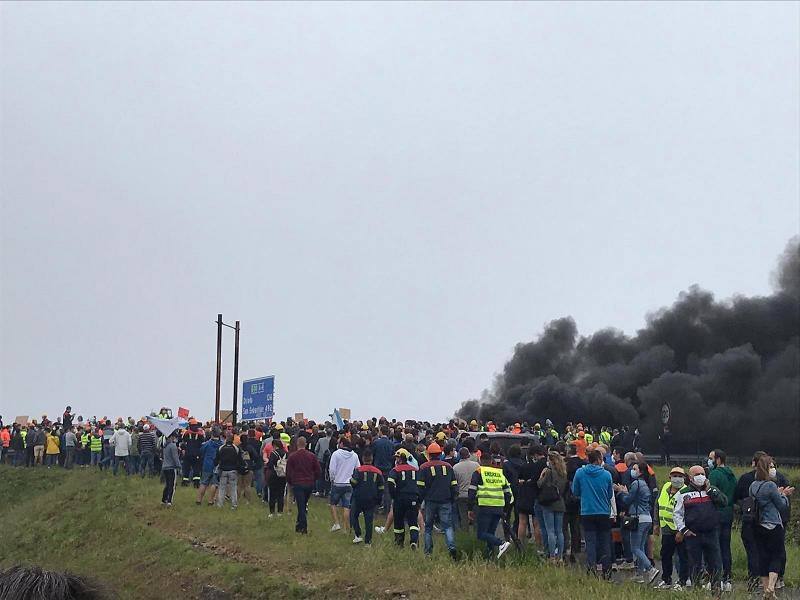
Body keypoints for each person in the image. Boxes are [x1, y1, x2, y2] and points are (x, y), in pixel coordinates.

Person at [673, 464, 727, 592]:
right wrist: (684, 530)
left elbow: (724, 502)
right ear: (690, 477)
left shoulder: (712, 490)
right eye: (697, 474)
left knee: (715, 564)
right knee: (695, 565)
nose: (700, 477)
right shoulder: (683, 493)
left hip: (711, 533)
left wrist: (710, 491)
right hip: (693, 535)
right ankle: (696, 591)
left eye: (702, 474)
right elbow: (677, 514)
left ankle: (717, 590)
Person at [749, 454, 794, 599]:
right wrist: (783, 495)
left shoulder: (753, 485)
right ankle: (771, 586)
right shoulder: (770, 485)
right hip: (773, 524)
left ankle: (767, 590)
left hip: (757, 524)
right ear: (767, 468)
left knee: (763, 556)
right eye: (771, 466)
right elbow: (781, 505)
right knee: (777, 555)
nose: (773, 469)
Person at [615, 461, 660, 584]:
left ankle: (650, 569)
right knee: (641, 547)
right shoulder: (645, 484)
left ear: (640, 471)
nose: (632, 471)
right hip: (647, 519)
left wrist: (620, 492)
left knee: (635, 548)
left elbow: (628, 500)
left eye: (635, 468)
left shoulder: (636, 483)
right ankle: (639, 574)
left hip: (638, 518)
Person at [572, 449, 613, 578]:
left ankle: (591, 569)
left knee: (590, 542)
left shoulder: (580, 473)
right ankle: (607, 570)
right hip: (603, 512)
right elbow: (610, 494)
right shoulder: (607, 475)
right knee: (605, 541)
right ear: (599, 460)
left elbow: (575, 491)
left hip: (587, 512)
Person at [467, 451, 513, 559]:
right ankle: (490, 557)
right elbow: (508, 493)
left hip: (485, 506)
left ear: (480, 461)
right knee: (490, 533)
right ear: (491, 461)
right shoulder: (499, 473)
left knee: (481, 534)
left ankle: (501, 543)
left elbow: (472, 491)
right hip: (499, 507)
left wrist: (470, 508)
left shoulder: (479, 472)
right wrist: (506, 509)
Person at [417, 442, 458, 559]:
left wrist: (420, 501)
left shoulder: (424, 467)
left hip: (430, 501)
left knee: (428, 527)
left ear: (429, 455)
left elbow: (420, 487)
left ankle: (428, 553)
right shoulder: (448, 467)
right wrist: (452, 498)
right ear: (440, 454)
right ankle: (451, 548)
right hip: (446, 500)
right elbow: (454, 485)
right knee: (448, 526)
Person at [654, 466, 690, 590]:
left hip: (680, 529)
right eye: (675, 476)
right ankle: (666, 580)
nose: (677, 479)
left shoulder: (686, 491)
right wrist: (656, 524)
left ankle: (683, 581)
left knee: (682, 556)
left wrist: (682, 531)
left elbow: (688, 514)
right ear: (670, 477)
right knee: (665, 555)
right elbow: (657, 505)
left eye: (680, 476)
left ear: (684, 478)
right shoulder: (665, 487)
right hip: (666, 528)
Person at [708, 448, 737, 591]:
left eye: (711, 458)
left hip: (716, 513)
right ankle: (728, 579)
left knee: (715, 547)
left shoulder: (714, 474)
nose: (709, 461)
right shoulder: (732, 474)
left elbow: (711, 494)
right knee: (726, 546)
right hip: (729, 513)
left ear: (718, 459)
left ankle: (715, 579)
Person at [536, 451, 568, 562]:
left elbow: (540, 484)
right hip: (560, 502)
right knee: (559, 531)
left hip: (548, 503)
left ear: (550, 461)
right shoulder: (563, 473)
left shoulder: (549, 472)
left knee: (550, 531)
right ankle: (560, 556)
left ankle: (552, 556)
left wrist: (541, 475)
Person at [349, 448, 384, 545]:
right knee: (369, 520)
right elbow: (381, 487)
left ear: (363, 458)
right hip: (372, 499)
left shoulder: (358, 470)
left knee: (354, 515)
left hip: (358, 498)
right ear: (372, 459)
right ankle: (368, 542)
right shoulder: (378, 472)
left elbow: (354, 482)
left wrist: (350, 480)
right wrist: (379, 499)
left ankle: (358, 534)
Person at [286, 435, 321, 534]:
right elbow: (318, 470)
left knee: (301, 506)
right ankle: (298, 525)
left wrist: (290, 481)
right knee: (303, 504)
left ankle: (303, 528)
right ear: (306, 444)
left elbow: (288, 472)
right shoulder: (312, 456)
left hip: (297, 483)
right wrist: (314, 479)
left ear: (297, 444)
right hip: (309, 483)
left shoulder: (292, 456)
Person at [387, 448, 421, 548]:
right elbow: (421, 484)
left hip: (400, 498)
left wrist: (393, 495)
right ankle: (414, 541)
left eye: (397, 458)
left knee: (398, 522)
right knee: (413, 522)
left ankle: (399, 543)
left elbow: (390, 482)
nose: (396, 460)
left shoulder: (395, 470)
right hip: (413, 498)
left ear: (401, 459)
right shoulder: (415, 470)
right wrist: (418, 498)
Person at [328, 438, 360, 533]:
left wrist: (332, 479)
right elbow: (358, 468)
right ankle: (347, 528)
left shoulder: (336, 454)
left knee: (333, 503)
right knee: (347, 506)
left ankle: (336, 523)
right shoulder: (354, 455)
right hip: (349, 483)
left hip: (337, 482)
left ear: (341, 444)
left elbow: (332, 469)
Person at [563, 442, 586, 563]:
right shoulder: (583, 464)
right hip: (578, 499)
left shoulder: (565, 464)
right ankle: (575, 550)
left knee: (564, 527)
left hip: (566, 499)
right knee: (575, 526)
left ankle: (565, 549)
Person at [215, 433, 243, 510]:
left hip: (223, 470)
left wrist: (216, 465)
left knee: (222, 488)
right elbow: (240, 460)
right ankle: (234, 505)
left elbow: (216, 459)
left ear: (226, 439)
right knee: (233, 488)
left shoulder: (221, 448)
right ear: (233, 439)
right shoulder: (236, 448)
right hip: (233, 470)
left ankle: (220, 504)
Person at [453, 447, 479, 531]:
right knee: (476, 519)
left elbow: (454, 483)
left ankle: (465, 537)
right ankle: (477, 537)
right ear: (469, 455)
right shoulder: (476, 465)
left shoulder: (455, 467)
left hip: (462, 495)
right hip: (475, 494)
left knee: (464, 518)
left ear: (460, 456)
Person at [197, 428, 223, 505]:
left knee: (203, 483)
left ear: (212, 434)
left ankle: (199, 500)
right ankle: (211, 501)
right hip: (217, 465)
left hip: (207, 464)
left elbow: (201, 451)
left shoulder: (207, 444)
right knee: (214, 484)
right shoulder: (222, 444)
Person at [266, 438, 288, 516]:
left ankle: (272, 512)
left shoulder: (273, 453)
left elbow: (270, 465)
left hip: (274, 475)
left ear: (274, 446)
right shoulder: (286, 453)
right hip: (283, 475)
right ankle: (280, 511)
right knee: (281, 494)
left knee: (272, 494)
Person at [161, 431, 181, 506]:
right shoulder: (173, 446)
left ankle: (164, 499)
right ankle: (169, 501)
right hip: (172, 468)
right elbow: (175, 458)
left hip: (165, 467)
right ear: (172, 437)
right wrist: (179, 466)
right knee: (172, 485)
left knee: (167, 484)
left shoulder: (165, 445)